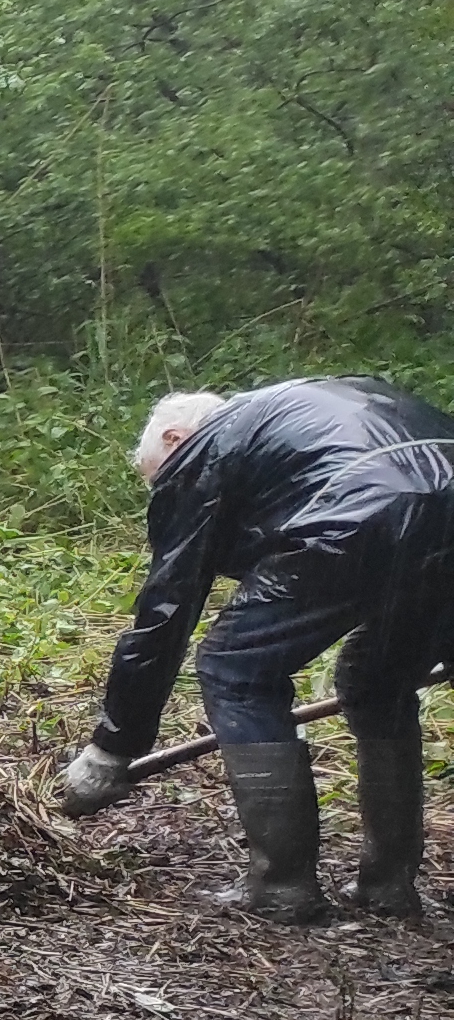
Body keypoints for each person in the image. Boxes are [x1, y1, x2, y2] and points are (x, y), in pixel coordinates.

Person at [52, 378, 454, 920]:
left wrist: (111, 748)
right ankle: (388, 887)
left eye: (159, 483)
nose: (167, 494)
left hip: (356, 511)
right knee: (379, 681)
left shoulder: (204, 448)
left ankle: (284, 886)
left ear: (174, 440)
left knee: (235, 669)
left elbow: (166, 611)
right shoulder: (292, 421)